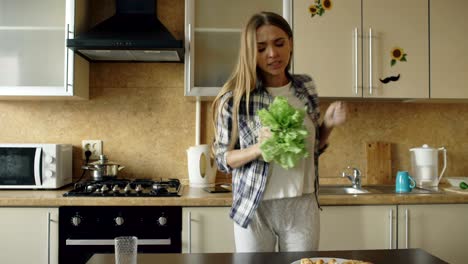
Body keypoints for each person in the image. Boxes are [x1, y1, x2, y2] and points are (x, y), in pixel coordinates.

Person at [211, 11, 347, 252]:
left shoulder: (306, 87)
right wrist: (256, 149)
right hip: (255, 207)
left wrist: (327, 124)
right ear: (250, 52)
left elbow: (310, 150)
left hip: (302, 205)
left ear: (291, 43)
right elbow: (222, 160)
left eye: (279, 43)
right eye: (261, 48)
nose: (272, 54)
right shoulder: (235, 98)